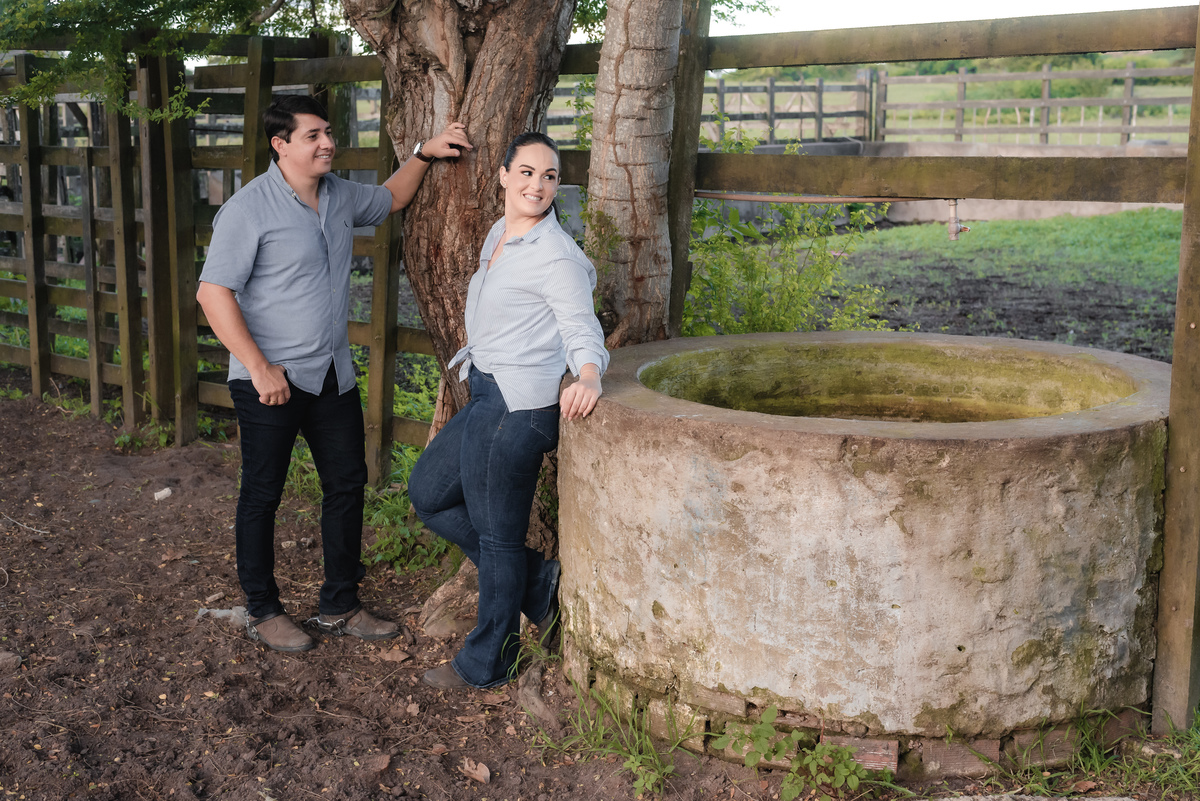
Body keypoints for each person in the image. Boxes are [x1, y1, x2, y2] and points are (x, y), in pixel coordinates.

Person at [197, 94, 472, 652]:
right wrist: (258, 367)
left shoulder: (341, 195)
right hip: (269, 380)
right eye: (313, 136)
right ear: (280, 145)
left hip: (331, 376)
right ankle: (263, 608)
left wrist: (423, 151)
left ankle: (340, 604)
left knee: (347, 485)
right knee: (262, 495)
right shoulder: (247, 209)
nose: (328, 143)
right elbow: (212, 292)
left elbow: (391, 197)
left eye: (328, 132)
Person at [408, 131, 609, 690]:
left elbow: (580, 330)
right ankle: (538, 582)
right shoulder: (500, 234)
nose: (538, 185)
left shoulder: (557, 258)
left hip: (519, 409)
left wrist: (589, 374)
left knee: (497, 540)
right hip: (484, 394)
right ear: (503, 175)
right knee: (427, 494)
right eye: (526, 172)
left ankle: (486, 662)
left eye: (549, 176)